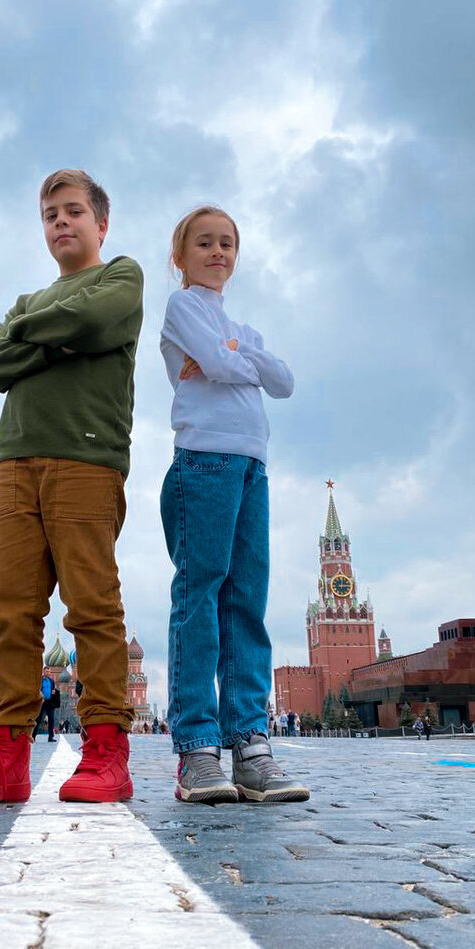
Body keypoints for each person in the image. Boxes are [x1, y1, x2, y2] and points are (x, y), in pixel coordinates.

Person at [0, 169, 143, 806]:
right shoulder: (29, 301)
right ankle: (4, 754)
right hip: (13, 465)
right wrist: (61, 338)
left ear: (100, 223)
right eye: (50, 214)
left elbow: (97, 316)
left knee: (92, 608)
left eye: (73, 211)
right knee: (8, 611)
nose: (61, 222)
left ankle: (107, 752)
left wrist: (36, 334)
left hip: (87, 460)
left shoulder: (122, 276)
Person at [159, 205, 308, 805]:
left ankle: (249, 744)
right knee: (200, 597)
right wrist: (233, 361)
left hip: (253, 468)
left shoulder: (240, 328)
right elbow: (224, 365)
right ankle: (197, 748)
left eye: (227, 244)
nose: (218, 252)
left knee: (247, 601)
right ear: (182, 256)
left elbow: (284, 380)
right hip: (204, 463)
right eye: (204, 243)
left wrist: (234, 358)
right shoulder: (183, 307)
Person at [33, 675, 59, 743]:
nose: (49, 673)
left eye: (49, 672)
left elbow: (53, 690)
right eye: (47, 671)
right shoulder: (40, 680)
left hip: (49, 702)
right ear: (44, 672)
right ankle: (33, 736)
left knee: (51, 719)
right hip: (41, 702)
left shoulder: (51, 681)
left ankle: (51, 737)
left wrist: (54, 693)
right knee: (38, 719)